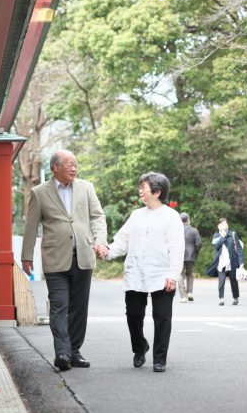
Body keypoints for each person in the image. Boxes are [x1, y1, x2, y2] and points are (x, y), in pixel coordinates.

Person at [21, 149, 108, 371]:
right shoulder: (40, 192)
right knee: (59, 305)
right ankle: (62, 352)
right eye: (68, 164)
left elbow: (97, 216)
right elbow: (31, 226)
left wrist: (101, 241)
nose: (73, 167)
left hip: (84, 255)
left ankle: (74, 351)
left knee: (79, 308)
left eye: (75, 164)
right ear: (55, 167)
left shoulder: (86, 187)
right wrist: (26, 256)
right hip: (55, 258)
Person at [97, 172, 184, 373]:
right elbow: (122, 241)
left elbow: (177, 248)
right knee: (133, 315)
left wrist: (173, 275)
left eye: (143, 187)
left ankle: (159, 358)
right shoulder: (136, 215)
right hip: (136, 273)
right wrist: (108, 251)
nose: (140, 191)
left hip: (162, 274)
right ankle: (139, 347)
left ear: (157, 191)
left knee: (162, 317)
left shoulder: (171, 217)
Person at [205, 218, 244, 306]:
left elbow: (239, 249)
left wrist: (241, 262)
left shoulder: (233, 234)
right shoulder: (216, 236)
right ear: (218, 226)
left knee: (233, 280)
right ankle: (221, 298)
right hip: (221, 262)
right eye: (222, 224)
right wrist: (222, 237)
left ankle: (235, 297)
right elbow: (216, 247)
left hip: (232, 262)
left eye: (226, 224)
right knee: (221, 281)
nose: (224, 226)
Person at [178, 212, 202, 303]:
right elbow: (199, 244)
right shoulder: (194, 230)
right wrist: (195, 252)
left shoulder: (176, 230)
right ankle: (190, 293)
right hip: (190, 256)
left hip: (179, 255)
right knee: (190, 274)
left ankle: (183, 296)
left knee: (180, 275)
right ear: (188, 220)